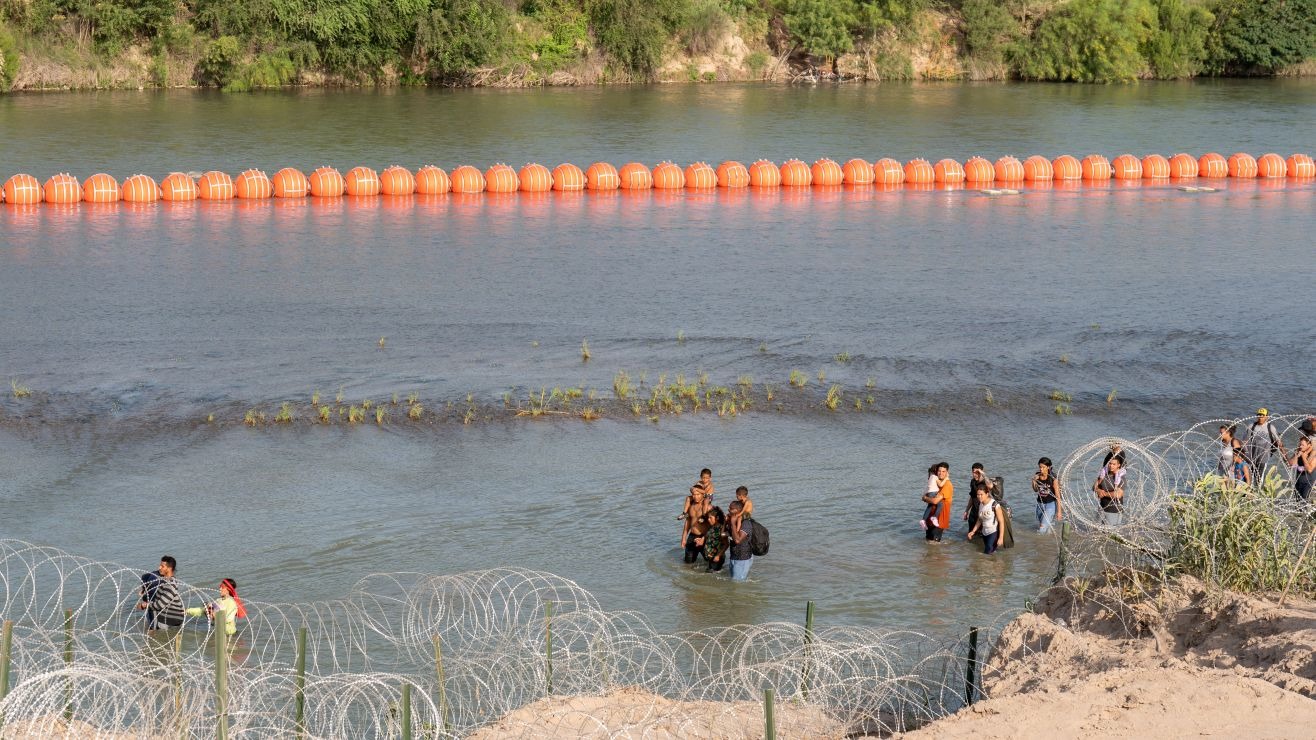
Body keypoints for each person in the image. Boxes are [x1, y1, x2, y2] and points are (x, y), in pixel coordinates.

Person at [137, 556, 184, 633]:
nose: (159, 568)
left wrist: (144, 605)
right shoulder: (164, 581)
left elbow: (160, 605)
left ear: (169, 568)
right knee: (151, 602)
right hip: (171, 616)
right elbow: (145, 576)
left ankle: (152, 633)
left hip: (171, 618)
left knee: (152, 606)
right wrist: (144, 589)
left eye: (162, 566)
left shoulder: (170, 584)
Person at [1243, 408, 1286, 476]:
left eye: (1263, 415)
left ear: (1267, 417)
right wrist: (1243, 455)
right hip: (1251, 457)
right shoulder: (1251, 426)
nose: (1260, 417)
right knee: (1251, 477)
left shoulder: (1270, 427)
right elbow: (1245, 442)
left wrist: (1285, 456)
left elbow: (1278, 442)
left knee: (1259, 477)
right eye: (1259, 415)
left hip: (1264, 457)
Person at [966, 487, 1006, 555]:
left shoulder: (995, 505)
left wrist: (1001, 538)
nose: (979, 496)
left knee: (988, 552)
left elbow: (1001, 522)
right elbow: (980, 520)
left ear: (987, 494)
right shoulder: (981, 504)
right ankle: (995, 563)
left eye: (981, 494)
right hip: (984, 533)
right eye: (978, 494)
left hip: (993, 532)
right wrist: (973, 531)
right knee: (990, 552)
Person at [679, 485, 713, 563]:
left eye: (698, 494)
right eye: (693, 494)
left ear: (702, 495)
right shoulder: (691, 506)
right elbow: (687, 522)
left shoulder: (708, 507)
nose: (695, 497)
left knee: (710, 562)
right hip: (692, 536)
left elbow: (713, 526)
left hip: (705, 537)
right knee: (688, 562)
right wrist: (684, 538)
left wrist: (703, 538)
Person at [962, 463, 1000, 530]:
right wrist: (966, 511)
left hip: (984, 511)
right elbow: (972, 497)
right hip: (974, 510)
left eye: (978, 473)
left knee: (983, 533)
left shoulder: (985, 482)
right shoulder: (973, 482)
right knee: (971, 530)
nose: (975, 475)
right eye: (974, 472)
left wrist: (983, 474)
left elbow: (990, 486)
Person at [922, 463, 952, 543]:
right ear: (936, 471)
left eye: (943, 471)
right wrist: (925, 498)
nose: (941, 473)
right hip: (931, 517)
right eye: (939, 471)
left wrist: (925, 498)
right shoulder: (936, 481)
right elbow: (926, 496)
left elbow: (935, 501)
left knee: (934, 543)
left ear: (947, 472)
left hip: (940, 519)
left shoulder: (947, 484)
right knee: (928, 541)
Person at [1031, 457, 1062, 533]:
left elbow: (1058, 496)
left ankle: (1038, 543)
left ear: (1048, 467)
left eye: (1043, 467)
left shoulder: (1053, 479)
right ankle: (1047, 542)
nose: (1041, 469)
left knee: (1042, 528)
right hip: (1040, 504)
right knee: (1044, 527)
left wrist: (1059, 512)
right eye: (1040, 467)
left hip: (1050, 505)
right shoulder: (1037, 476)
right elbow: (1035, 490)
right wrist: (1033, 481)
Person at [1093, 457, 1126, 526]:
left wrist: (1104, 494)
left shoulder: (1121, 478)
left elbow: (1118, 494)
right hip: (1101, 507)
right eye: (1110, 463)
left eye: (1114, 464)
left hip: (1114, 510)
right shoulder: (1104, 474)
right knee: (1097, 531)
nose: (1111, 466)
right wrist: (1098, 490)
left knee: (1110, 532)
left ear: (1118, 465)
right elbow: (1094, 486)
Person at [727, 500, 753, 581]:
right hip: (734, 557)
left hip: (743, 558)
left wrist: (732, 523)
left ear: (737, 511)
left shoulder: (746, 523)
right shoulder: (732, 522)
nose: (728, 510)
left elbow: (737, 540)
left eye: (731, 509)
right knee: (734, 581)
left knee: (737, 583)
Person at [699, 507, 728, 572]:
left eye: (710, 518)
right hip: (711, 557)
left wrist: (718, 556)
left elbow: (726, 544)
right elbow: (709, 536)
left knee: (710, 575)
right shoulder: (712, 527)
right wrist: (701, 539)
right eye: (708, 518)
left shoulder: (721, 529)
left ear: (717, 518)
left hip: (717, 558)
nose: (708, 520)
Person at [1287, 436, 1314, 501]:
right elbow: (1290, 465)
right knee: (1297, 504)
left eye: (1303, 445)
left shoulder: (1313, 454)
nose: (1300, 446)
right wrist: (1297, 456)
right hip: (1298, 482)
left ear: (1309, 445)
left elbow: (1309, 469)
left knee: (1304, 504)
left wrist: (1304, 457)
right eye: (1300, 444)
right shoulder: (1299, 451)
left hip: (1308, 484)